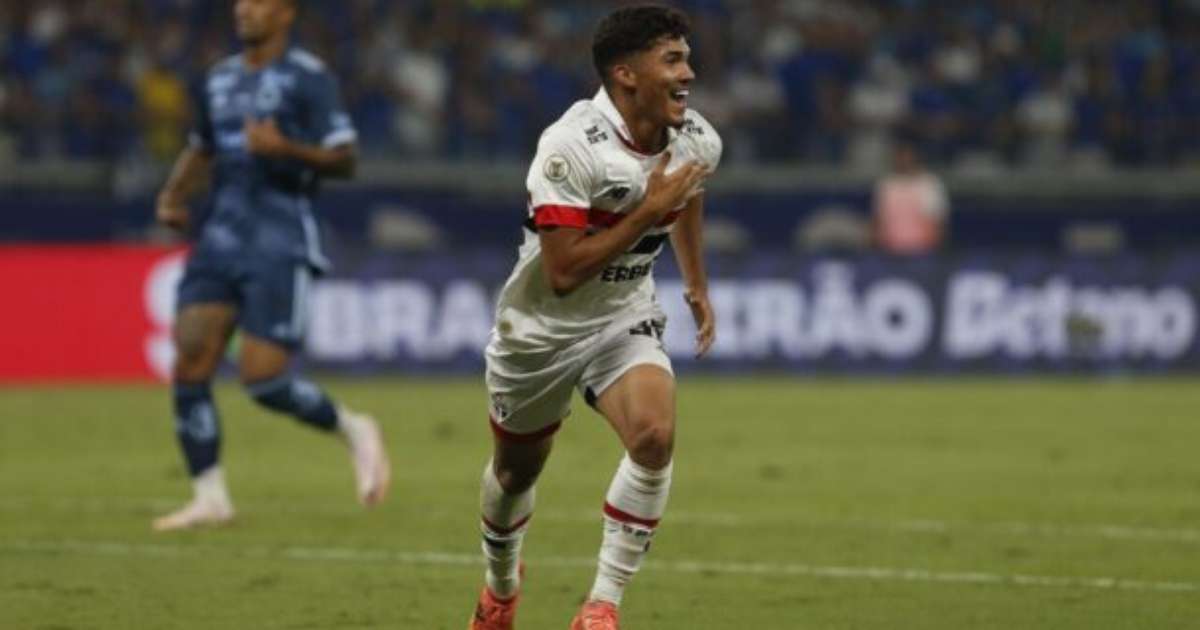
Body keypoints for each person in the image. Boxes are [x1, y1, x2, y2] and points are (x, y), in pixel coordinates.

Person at [468, 6, 721, 629]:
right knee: (515, 471)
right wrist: (647, 211)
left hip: (622, 314)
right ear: (626, 73)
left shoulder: (697, 138)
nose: (688, 73)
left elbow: (687, 193)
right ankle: (500, 588)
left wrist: (695, 282)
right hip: (540, 330)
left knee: (654, 436)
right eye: (672, 60)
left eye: (687, 58)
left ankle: (601, 606)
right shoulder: (569, 147)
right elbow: (562, 271)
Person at [151, 0, 389, 532]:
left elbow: (345, 157)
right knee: (190, 358)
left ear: (285, 14)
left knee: (263, 380)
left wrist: (285, 148)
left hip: (279, 240)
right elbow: (202, 147)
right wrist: (173, 193)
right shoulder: (219, 79)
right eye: (241, 2)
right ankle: (209, 496)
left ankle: (351, 427)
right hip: (220, 235)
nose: (244, 10)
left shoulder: (309, 77)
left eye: (259, 3)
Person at [872, 142, 950, 255]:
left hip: (923, 249)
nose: (905, 161)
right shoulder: (886, 184)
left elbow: (937, 222)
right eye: (901, 157)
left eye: (908, 157)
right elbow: (879, 220)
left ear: (916, 159)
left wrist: (932, 247)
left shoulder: (929, 183)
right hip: (890, 249)